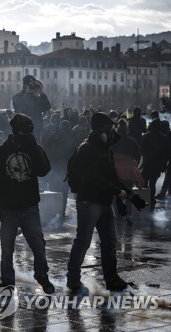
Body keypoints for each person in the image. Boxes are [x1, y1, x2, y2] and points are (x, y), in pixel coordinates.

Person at [0, 113, 55, 294]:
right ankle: (7, 281)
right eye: (26, 132)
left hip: (30, 207)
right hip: (9, 209)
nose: (28, 135)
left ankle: (42, 275)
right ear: (16, 131)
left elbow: (44, 170)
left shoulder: (33, 149)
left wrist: (34, 149)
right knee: (7, 249)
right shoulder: (0, 153)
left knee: (38, 246)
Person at [66, 112, 131, 294]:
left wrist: (125, 193)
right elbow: (92, 177)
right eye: (107, 129)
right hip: (89, 201)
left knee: (110, 241)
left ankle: (112, 278)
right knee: (83, 241)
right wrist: (116, 191)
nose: (111, 132)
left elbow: (111, 174)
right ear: (98, 129)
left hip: (104, 201)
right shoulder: (87, 149)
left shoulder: (106, 149)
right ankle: (73, 279)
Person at [112, 119, 144, 224]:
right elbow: (138, 155)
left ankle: (118, 215)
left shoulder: (113, 140)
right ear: (127, 130)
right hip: (129, 170)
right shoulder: (131, 140)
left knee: (117, 194)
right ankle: (128, 215)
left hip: (115, 170)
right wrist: (135, 165)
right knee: (129, 193)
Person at [12, 75, 51, 142]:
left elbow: (47, 106)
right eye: (32, 84)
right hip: (23, 130)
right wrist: (28, 93)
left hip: (37, 130)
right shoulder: (17, 97)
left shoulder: (35, 98)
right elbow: (19, 109)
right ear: (25, 85)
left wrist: (42, 94)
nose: (33, 87)